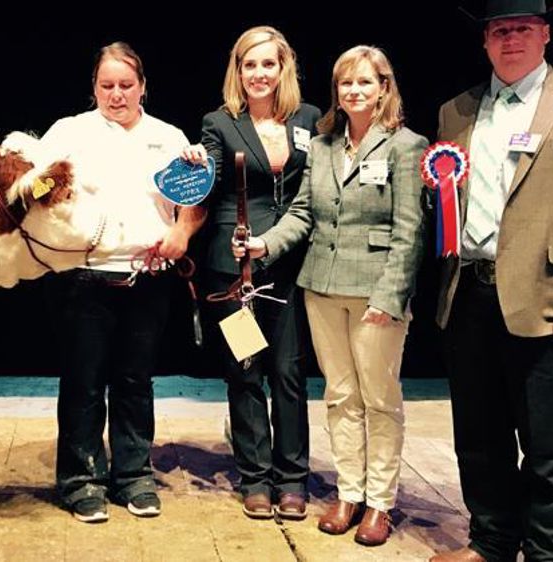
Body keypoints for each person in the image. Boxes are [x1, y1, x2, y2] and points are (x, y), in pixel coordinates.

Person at [241, 45, 427, 546]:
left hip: (375, 295)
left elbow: (409, 232)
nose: (354, 91)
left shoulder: (406, 146)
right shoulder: (322, 146)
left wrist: (390, 296)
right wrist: (264, 244)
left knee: (380, 400)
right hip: (320, 289)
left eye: (365, 82)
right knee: (341, 397)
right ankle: (348, 494)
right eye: (346, 83)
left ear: (384, 87)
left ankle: (379, 503)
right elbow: (302, 213)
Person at [429, 1, 553, 560]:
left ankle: (549, 553)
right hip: (467, 291)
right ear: (485, 42)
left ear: (544, 35)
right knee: (480, 437)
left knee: (552, 444)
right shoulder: (457, 111)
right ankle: (491, 541)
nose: (509, 39)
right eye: (498, 31)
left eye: (521, 29)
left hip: (547, 296)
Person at [41, 41, 205, 523]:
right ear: (93, 87)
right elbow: (34, 188)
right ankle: (81, 482)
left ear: (143, 88)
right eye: (106, 85)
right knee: (83, 383)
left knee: (135, 381)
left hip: (148, 279)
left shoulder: (170, 137)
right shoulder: (68, 133)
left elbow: (195, 203)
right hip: (82, 278)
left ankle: (133, 477)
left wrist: (181, 232)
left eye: (126, 86)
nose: (116, 95)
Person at [181, 25, 320, 521]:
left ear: (284, 68)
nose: (259, 74)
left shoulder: (310, 119)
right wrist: (195, 161)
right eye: (249, 65)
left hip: (289, 265)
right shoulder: (218, 122)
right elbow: (209, 180)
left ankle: (292, 479)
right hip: (233, 269)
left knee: (288, 374)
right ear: (236, 72)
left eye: (268, 64)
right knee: (245, 372)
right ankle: (255, 478)